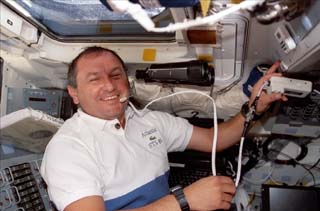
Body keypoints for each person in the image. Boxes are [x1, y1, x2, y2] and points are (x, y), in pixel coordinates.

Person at [40, 46, 287, 211]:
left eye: (116, 75)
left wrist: (253, 108)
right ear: (74, 93)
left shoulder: (148, 120)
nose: (110, 86)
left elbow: (216, 139)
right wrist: (183, 200)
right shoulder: (67, 148)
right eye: (94, 79)